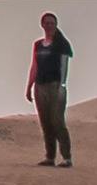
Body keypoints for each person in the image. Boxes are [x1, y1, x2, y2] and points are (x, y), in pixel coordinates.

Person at [26, 12, 76, 167]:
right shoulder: (38, 45)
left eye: (52, 23)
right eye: (46, 23)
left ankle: (66, 157)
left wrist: (62, 85)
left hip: (55, 85)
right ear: (42, 25)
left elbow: (64, 66)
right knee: (45, 122)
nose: (49, 26)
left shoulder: (61, 44)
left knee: (57, 121)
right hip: (40, 85)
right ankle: (50, 156)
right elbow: (34, 65)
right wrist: (29, 86)